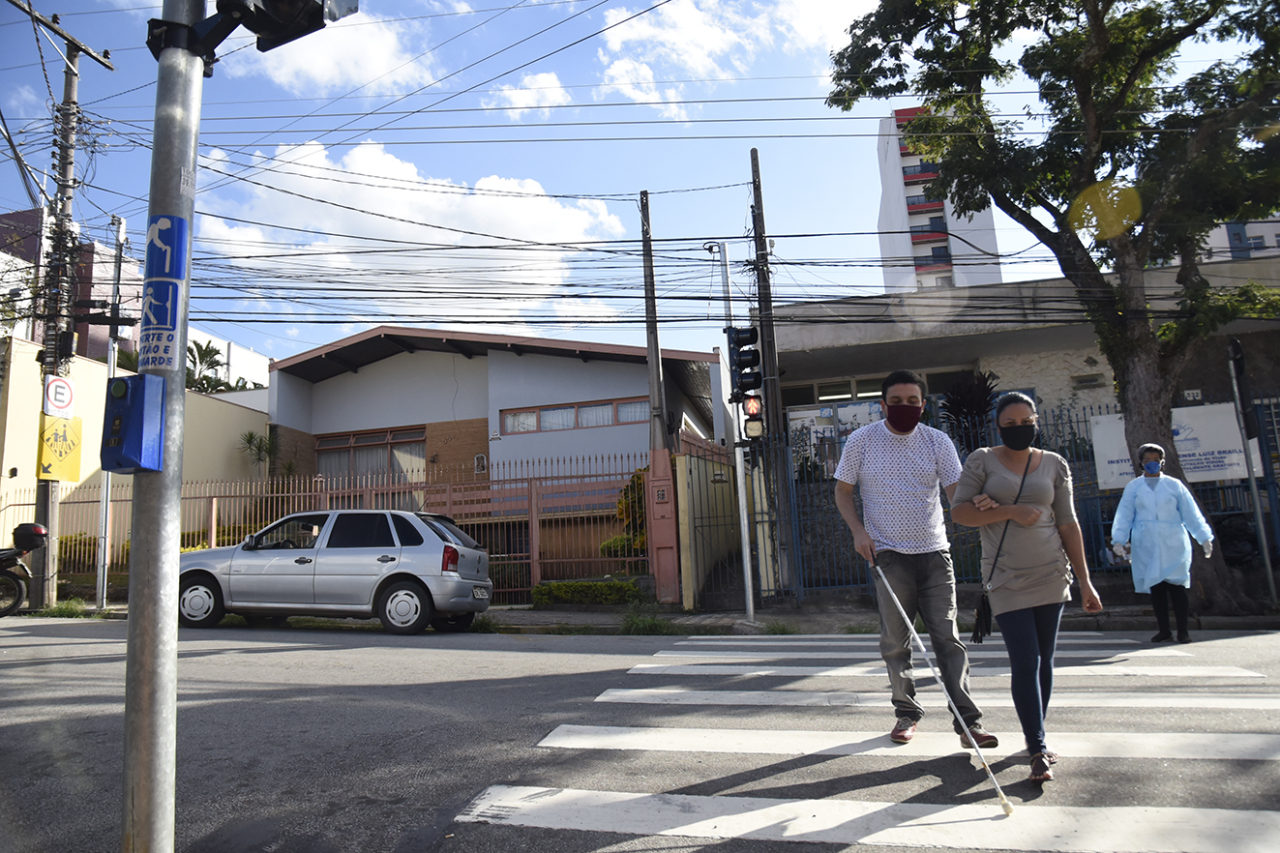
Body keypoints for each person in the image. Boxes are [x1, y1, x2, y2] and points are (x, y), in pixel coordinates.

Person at [833, 369, 996, 750]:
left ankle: (968, 722)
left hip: (936, 554)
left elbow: (958, 494)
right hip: (888, 555)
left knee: (948, 639)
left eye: (912, 402)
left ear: (923, 405)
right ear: (882, 404)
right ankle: (906, 713)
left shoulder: (937, 441)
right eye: (896, 401)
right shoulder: (861, 441)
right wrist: (859, 531)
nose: (904, 407)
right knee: (895, 641)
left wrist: (981, 503)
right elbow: (842, 492)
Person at [951, 392, 1103, 783]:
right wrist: (1010, 511)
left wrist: (1085, 581)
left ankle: (1037, 737)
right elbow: (961, 513)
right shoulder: (981, 460)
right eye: (1010, 424)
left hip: (1052, 572)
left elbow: (1068, 523)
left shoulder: (1054, 464)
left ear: (1037, 420)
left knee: (1045, 659)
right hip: (1006, 576)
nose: (1019, 429)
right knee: (1026, 659)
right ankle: (1037, 746)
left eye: (1026, 422)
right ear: (998, 426)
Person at [1110, 443, 1213, 644]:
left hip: (1173, 541)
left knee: (1177, 587)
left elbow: (1191, 513)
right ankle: (1164, 630)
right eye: (1147, 460)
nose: (1151, 464)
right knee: (1156, 588)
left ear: (1162, 462)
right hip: (1146, 542)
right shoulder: (1134, 487)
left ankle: (1183, 631)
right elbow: (1124, 515)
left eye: (1155, 460)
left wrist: (1203, 536)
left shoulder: (1175, 486)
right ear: (1140, 463)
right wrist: (1119, 539)